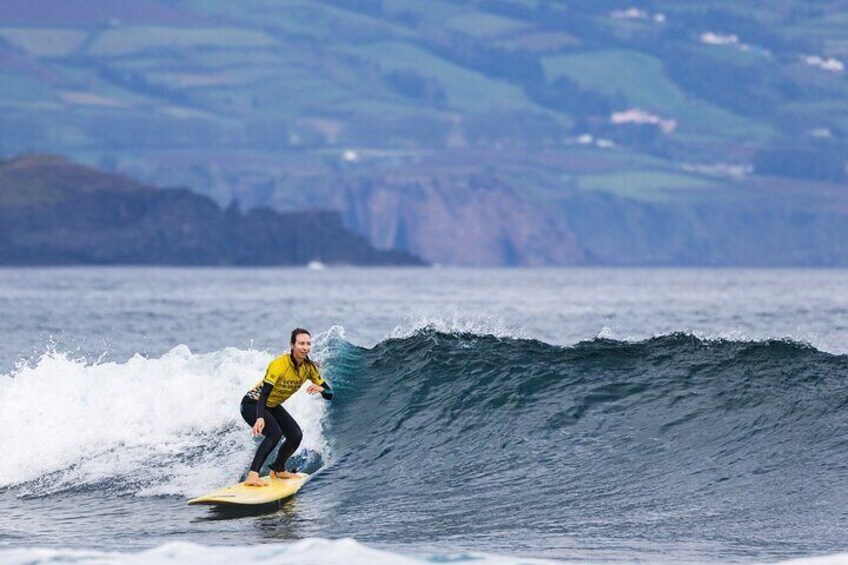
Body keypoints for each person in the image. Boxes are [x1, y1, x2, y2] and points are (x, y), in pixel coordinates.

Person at [240, 328, 332, 486]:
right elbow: (264, 394)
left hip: (272, 404)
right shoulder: (279, 364)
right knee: (274, 433)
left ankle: (278, 469)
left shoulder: (309, 368)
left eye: (308, 344)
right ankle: (253, 475)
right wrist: (260, 416)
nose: (305, 347)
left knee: (295, 435)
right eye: (301, 343)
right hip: (253, 403)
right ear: (292, 345)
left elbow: (330, 393)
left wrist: (322, 389)